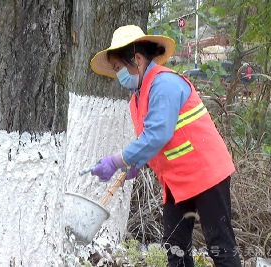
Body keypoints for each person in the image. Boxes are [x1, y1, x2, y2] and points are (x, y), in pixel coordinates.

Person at [90, 25, 241, 267]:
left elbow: (157, 134)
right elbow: (149, 141)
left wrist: (118, 160)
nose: (119, 76)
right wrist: (138, 161)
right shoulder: (136, 99)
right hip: (176, 179)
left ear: (137, 59)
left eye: (119, 68)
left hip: (206, 171)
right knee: (175, 245)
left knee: (220, 245)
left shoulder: (165, 84)